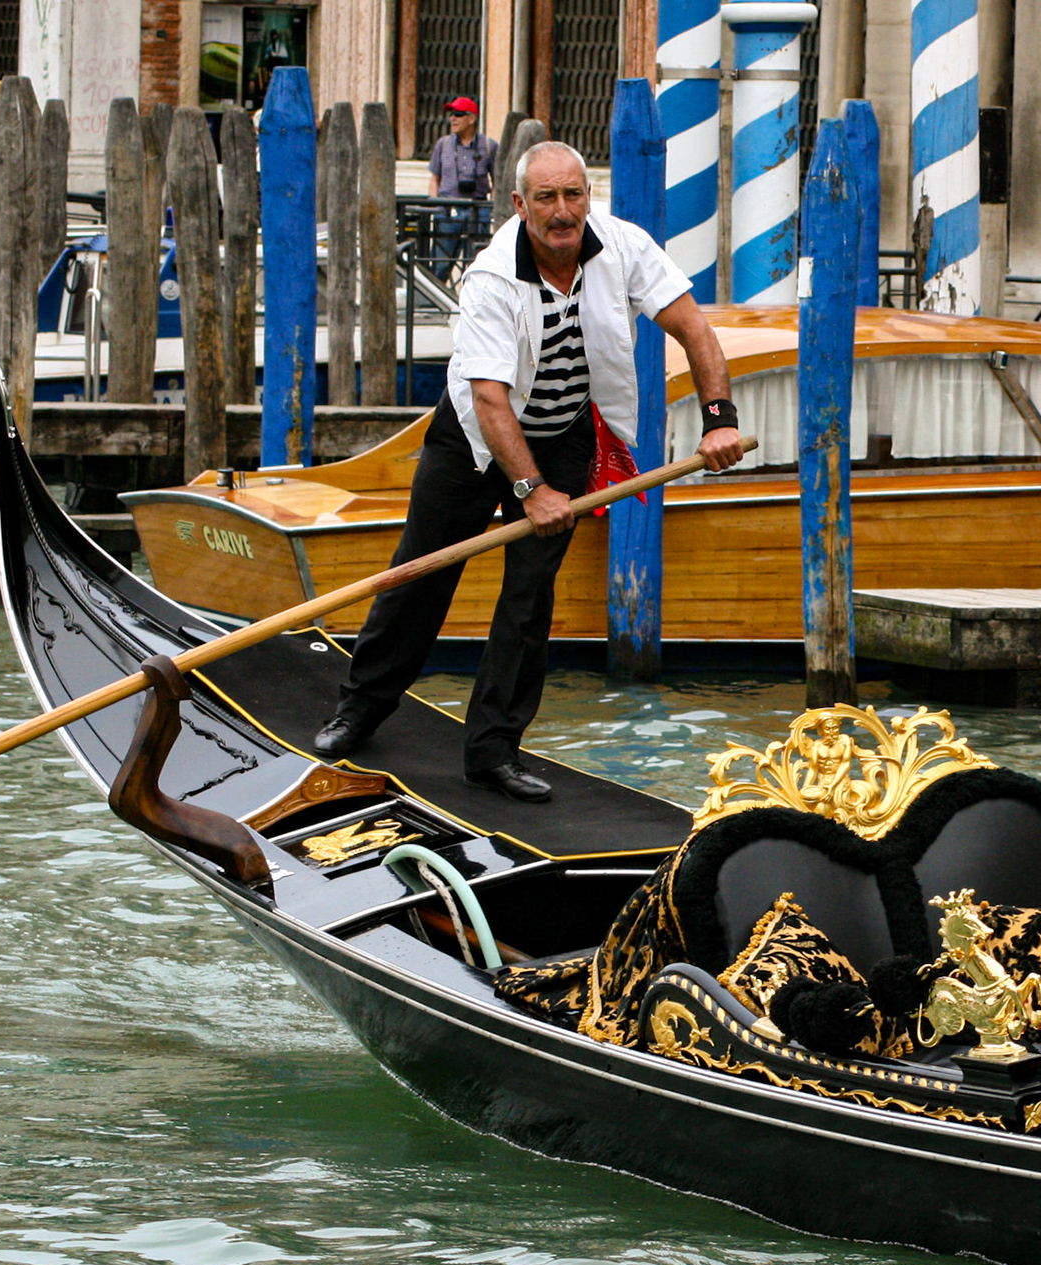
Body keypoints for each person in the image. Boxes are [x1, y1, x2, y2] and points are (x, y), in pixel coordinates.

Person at [313, 140, 743, 802]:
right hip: (474, 438)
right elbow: (489, 398)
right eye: (546, 198)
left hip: (563, 434)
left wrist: (719, 416)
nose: (562, 211)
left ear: (587, 198)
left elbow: (695, 329)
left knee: (529, 598)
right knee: (421, 571)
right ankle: (361, 708)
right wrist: (531, 491)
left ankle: (492, 751)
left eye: (573, 194)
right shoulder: (490, 278)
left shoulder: (622, 246)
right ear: (520, 205)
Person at [428, 97, 497, 281]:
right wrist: (435, 206)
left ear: (472, 118)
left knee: (478, 267)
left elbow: (497, 181)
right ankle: (434, 306)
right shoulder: (442, 144)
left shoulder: (489, 146)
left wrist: (492, 209)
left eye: (458, 114)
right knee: (440, 265)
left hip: (478, 211)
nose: (453, 119)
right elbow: (434, 178)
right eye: (451, 115)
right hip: (448, 212)